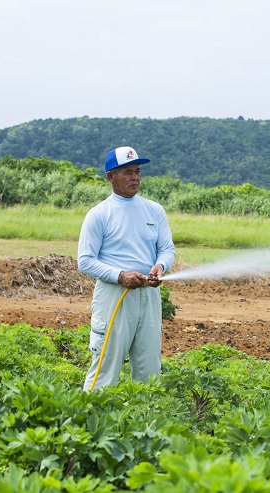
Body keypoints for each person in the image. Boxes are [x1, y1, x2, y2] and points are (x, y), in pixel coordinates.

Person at [77, 146, 176, 391]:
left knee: (149, 369)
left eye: (138, 171)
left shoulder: (154, 210)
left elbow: (167, 249)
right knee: (105, 367)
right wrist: (120, 275)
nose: (135, 177)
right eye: (128, 172)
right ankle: (88, 419)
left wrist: (160, 266)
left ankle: (145, 425)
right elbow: (85, 260)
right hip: (115, 296)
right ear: (111, 177)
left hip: (149, 294)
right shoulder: (99, 214)